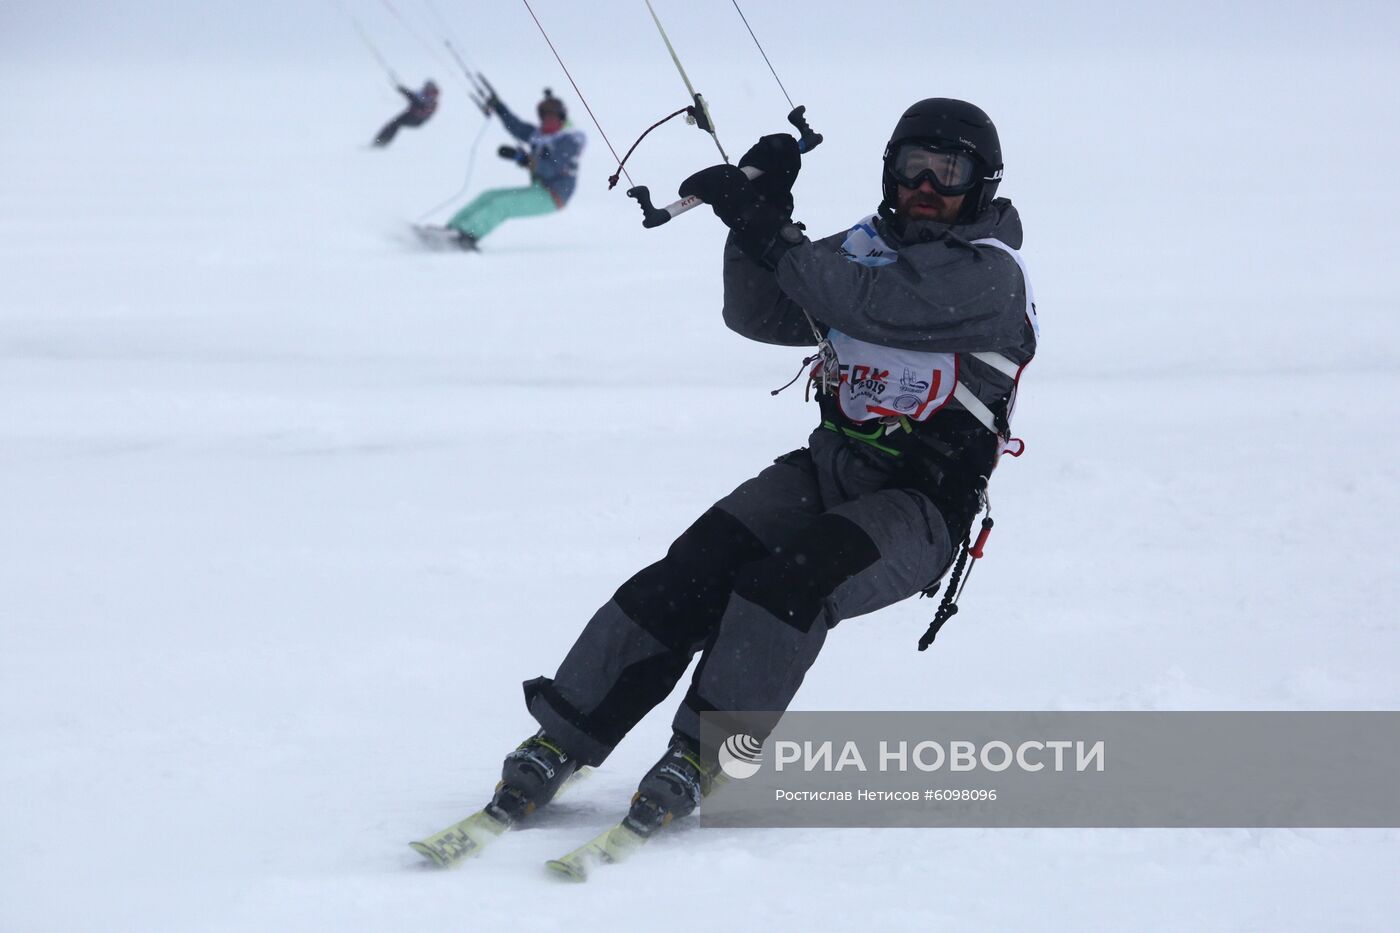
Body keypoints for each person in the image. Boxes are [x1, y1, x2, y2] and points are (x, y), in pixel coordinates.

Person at [478, 99, 1037, 835]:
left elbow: (863, 304)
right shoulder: (864, 246)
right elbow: (762, 311)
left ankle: (702, 753)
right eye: (913, 166)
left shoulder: (989, 277)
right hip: (829, 467)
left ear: (983, 184)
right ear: (890, 171)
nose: (926, 184)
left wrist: (763, 222)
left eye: (949, 170)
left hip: (920, 505)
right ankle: (564, 732)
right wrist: (764, 211)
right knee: (692, 569)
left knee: (789, 582)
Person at [442, 89, 585, 250]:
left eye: (551, 117)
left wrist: (525, 160)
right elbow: (516, 127)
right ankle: (452, 230)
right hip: (540, 190)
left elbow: (551, 168)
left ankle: (467, 237)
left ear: (561, 118)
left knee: (502, 205)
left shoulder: (569, 141)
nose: (546, 121)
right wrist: (499, 108)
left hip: (554, 196)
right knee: (488, 196)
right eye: (543, 117)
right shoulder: (540, 135)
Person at [372, 80, 439, 147]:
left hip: (417, 119)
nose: (425, 88)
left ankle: (381, 143)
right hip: (410, 115)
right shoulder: (422, 94)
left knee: (395, 124)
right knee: (392, 124)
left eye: (427, 87)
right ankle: (378, 142)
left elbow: (419, 105)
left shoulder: (432, 99)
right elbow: (411, 95)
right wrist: (403, 90)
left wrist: (411, 97)